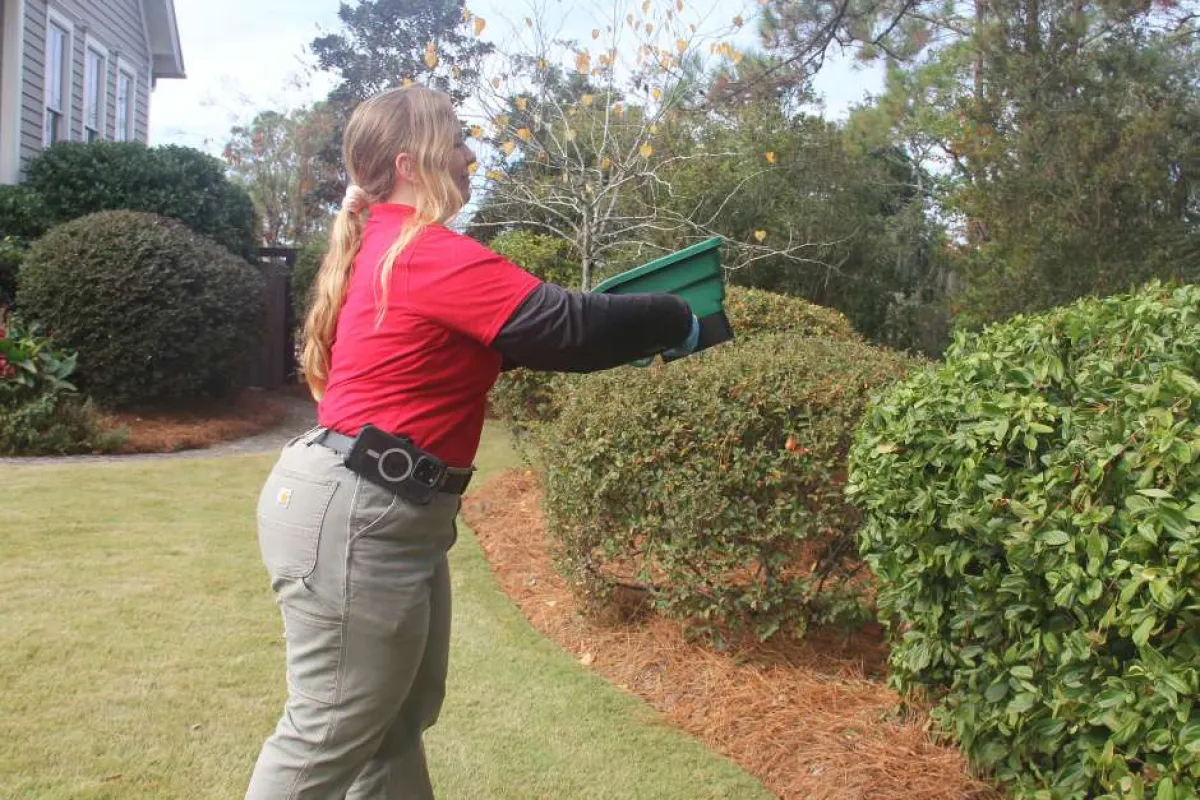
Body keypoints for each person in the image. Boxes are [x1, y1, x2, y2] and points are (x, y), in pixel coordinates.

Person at [244, 84, 699, 800]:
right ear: (409, 162)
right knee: (327, 734)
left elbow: (523, 339)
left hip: (380, 510)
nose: (469, 154)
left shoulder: (386, 249)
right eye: (455, 139)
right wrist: (677, 315)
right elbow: (565, 327)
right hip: (362, 512)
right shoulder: (421, 251)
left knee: (389, 726)